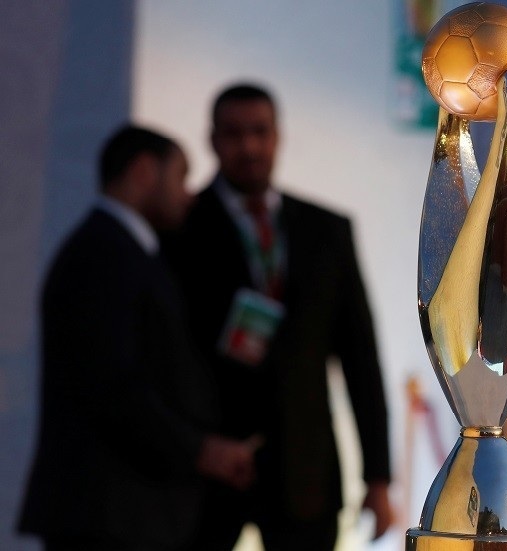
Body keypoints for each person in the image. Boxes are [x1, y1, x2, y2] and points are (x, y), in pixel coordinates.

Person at [165, 83, 393, 550]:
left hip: (305, 473)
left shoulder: (327, 231)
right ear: (212, 140)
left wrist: (378, 478)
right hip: (206, 471)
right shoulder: (179, 226)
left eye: (259, 132)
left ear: (277, 137)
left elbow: (360, 359)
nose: (248, 146)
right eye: (234, 134)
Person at [18, 125, 259, 551]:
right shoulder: (105, 254)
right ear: (145, 171)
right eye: (180, 177)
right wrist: (201, 450)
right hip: (108, 516)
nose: (188, 195)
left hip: (122, 513)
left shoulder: (119, 250)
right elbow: (112, 385)